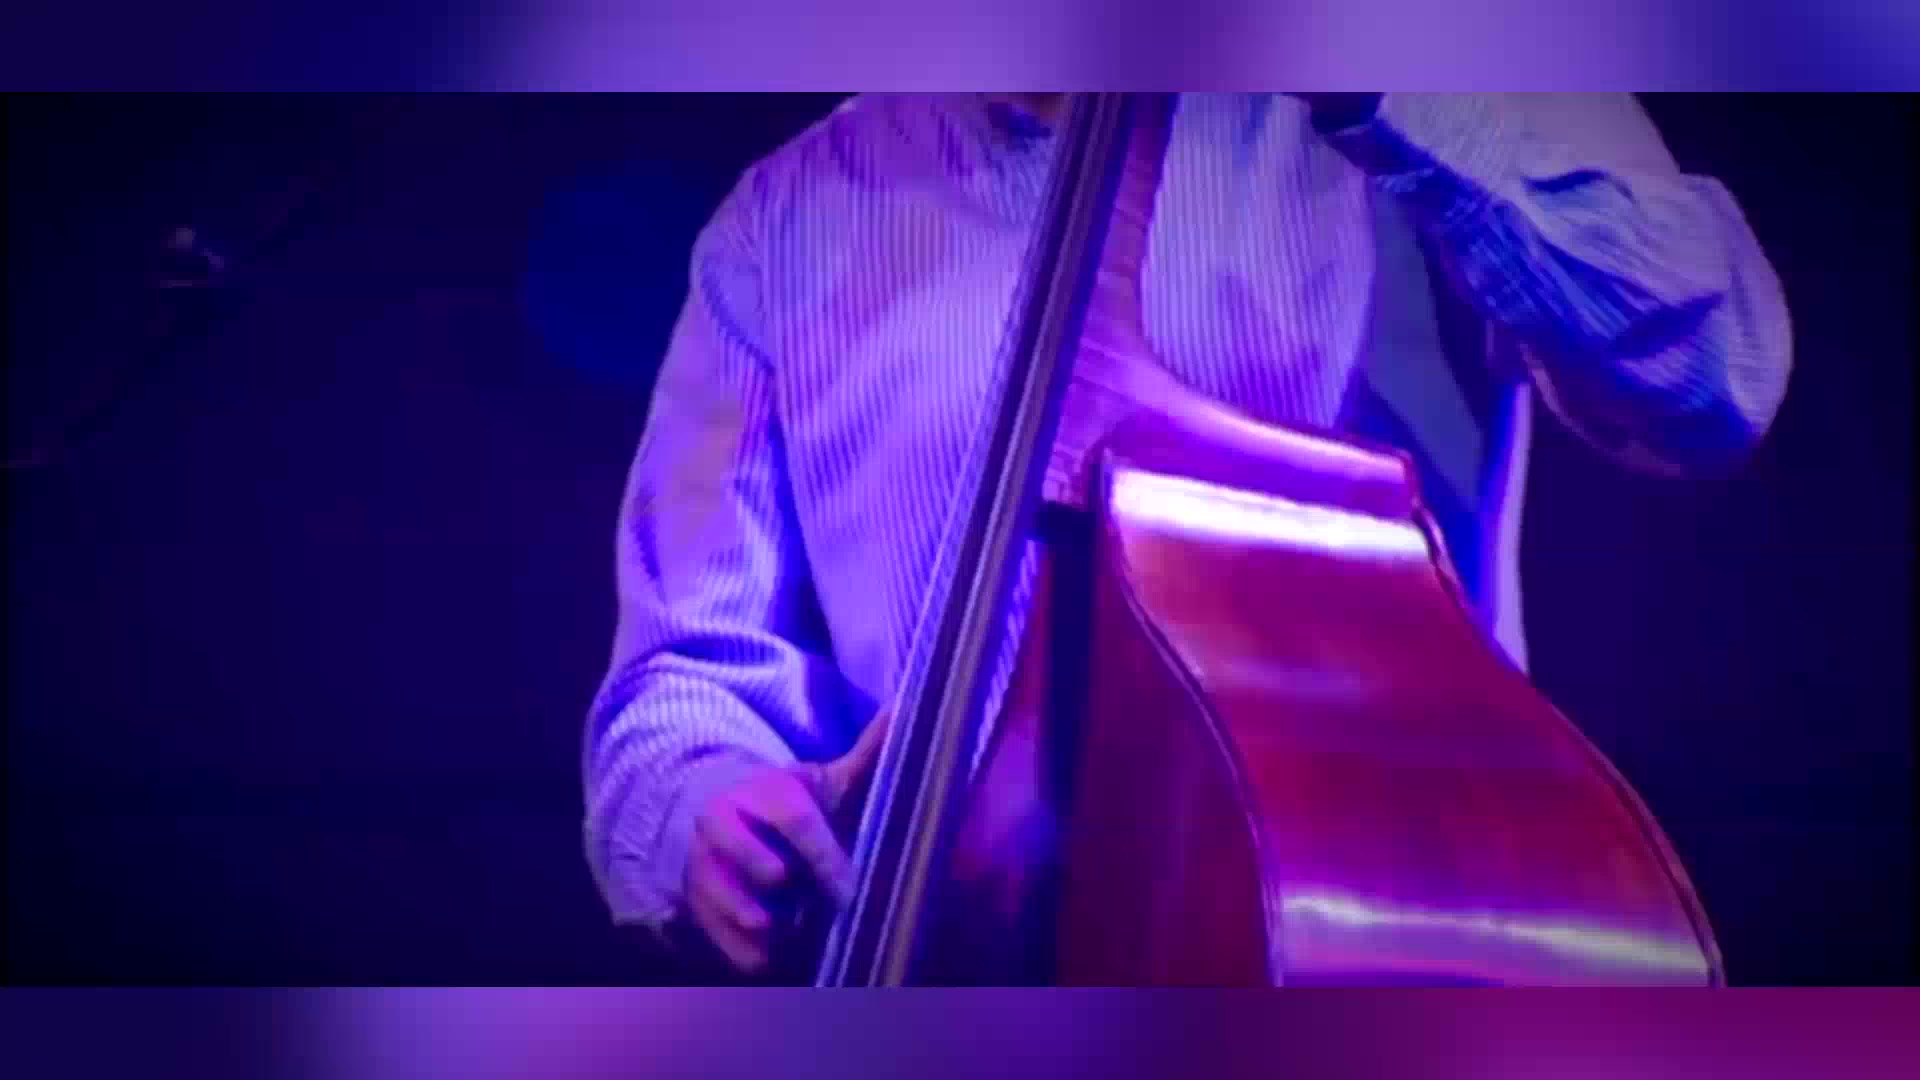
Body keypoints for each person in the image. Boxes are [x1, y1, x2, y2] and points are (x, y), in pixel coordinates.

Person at [580, 93, 1793, 977]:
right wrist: (706, 808)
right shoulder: (782, 219)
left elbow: (1713, 372)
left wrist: (1391, 98)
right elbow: (680, 679)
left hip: (1368, 953)